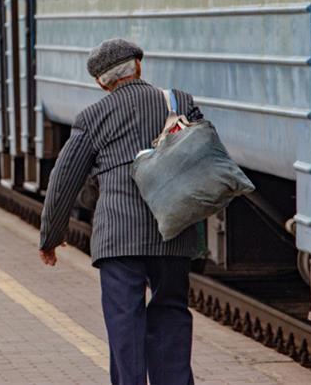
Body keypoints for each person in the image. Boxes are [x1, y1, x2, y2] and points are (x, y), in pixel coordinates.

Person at [39, 38, 204, 385]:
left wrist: (50, 238)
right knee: (171, 312)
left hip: (118, 238)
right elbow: (206, 156)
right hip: (172, 228)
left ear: (101, 82)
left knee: (124, 323)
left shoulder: (93, 116)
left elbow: (63, 180)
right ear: (139, 65)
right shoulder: (179, 102)